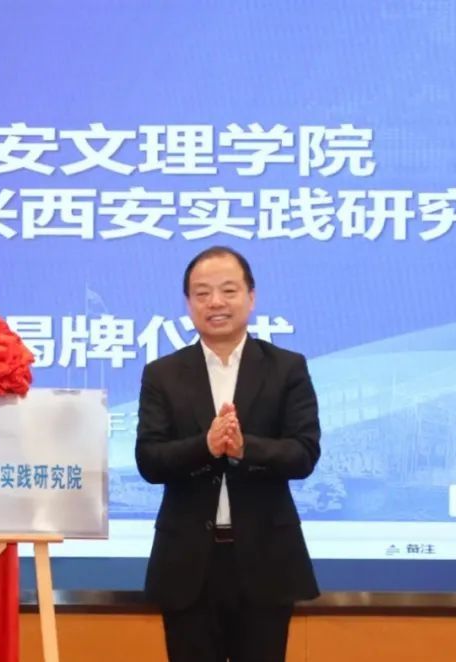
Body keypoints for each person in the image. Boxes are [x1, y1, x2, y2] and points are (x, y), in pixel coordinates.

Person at [135, 246, 321, 662]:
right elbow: (149, 459)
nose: (215, 302)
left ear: (251, 297)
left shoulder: (286, 368)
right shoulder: (162, 374)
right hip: (187, 564)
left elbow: (304, 452)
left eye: (228, 290)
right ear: (188, 304)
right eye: (202, 293)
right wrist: (206, 446)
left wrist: (244, 447)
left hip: (266, 560)